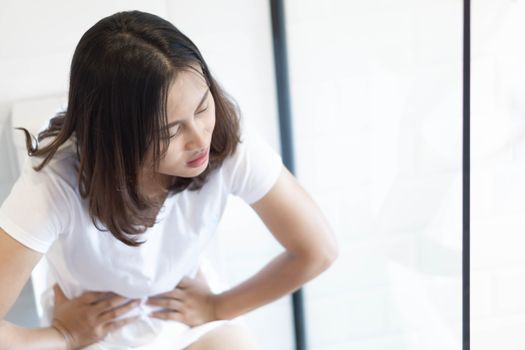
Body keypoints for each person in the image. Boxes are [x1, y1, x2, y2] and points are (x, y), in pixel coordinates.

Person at [0, 10, 339, 350]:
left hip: (182, 314)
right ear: (118, 139)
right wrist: (63, 336)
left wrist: (218, 306)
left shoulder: (225, 139)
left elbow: (318, 250)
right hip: (95, 330)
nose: (199, 139)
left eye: (202, 107)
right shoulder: (56, 180)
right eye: (169, 131)